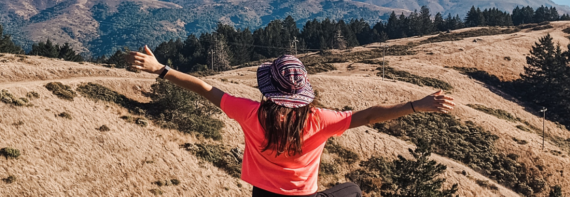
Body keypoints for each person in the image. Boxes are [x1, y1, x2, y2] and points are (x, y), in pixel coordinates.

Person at [127, 47, 455, 197]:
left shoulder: (250, 113)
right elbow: (370, 115)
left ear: (269, 89)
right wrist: (417, 105)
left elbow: (204, 87)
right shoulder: (320, 120)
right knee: (352, 189)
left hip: (262, 196)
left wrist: (161, 69)